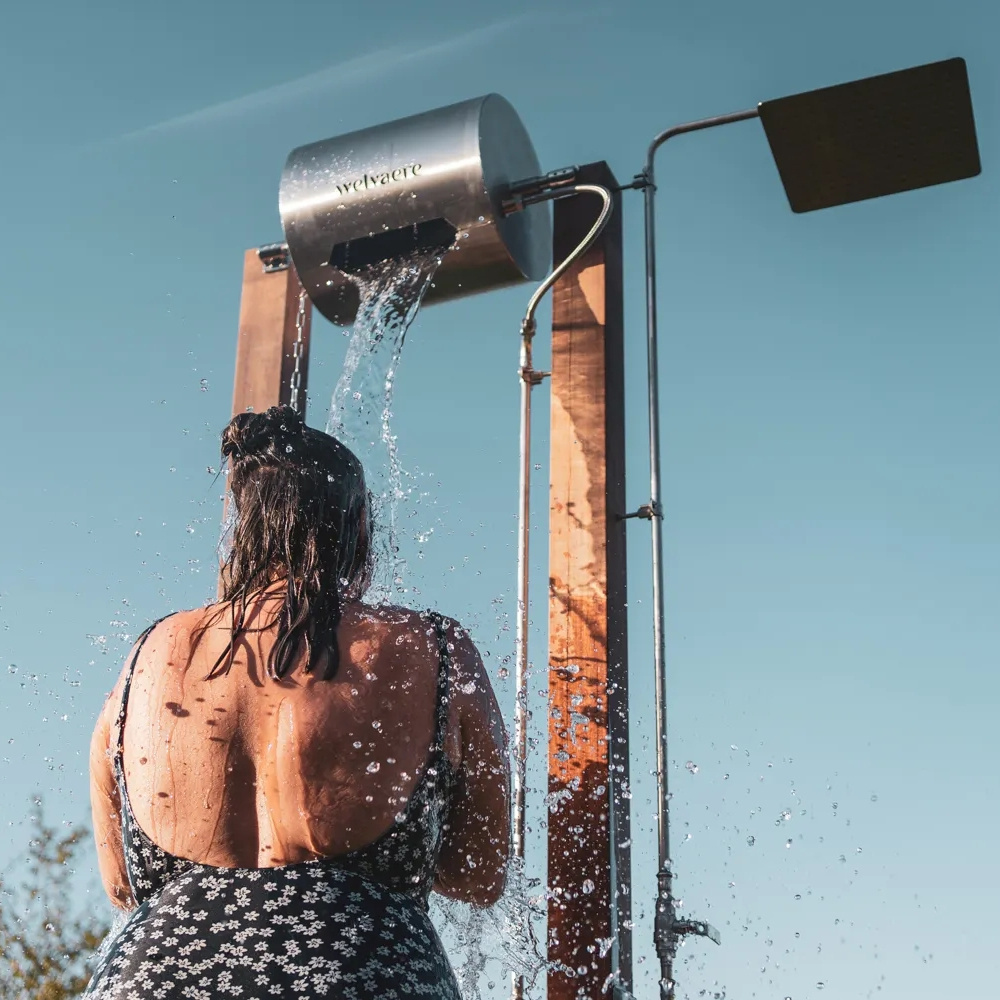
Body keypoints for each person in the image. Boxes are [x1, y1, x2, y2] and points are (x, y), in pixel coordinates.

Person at [85, 404, 510, 999]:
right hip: (363, 977)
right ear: (358, 527)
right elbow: (479, 873)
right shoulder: (429, 649)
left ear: (244, 527)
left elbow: (122, 886)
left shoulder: (149, 656)